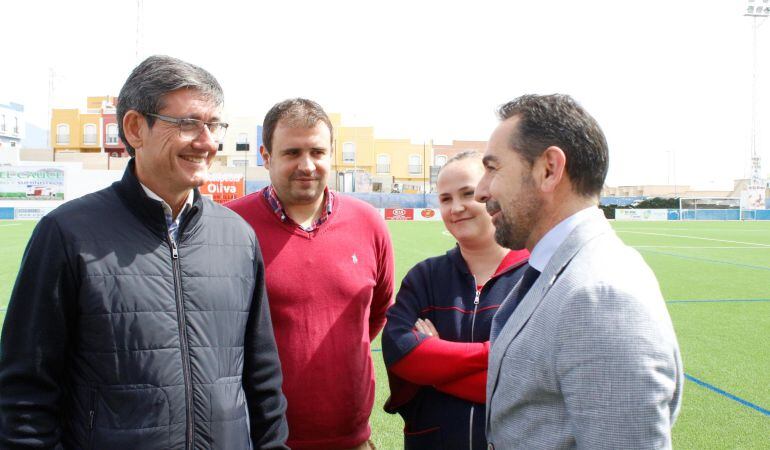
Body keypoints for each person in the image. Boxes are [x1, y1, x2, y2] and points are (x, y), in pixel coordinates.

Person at [0, 55, 288, 449]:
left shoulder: (238, 237)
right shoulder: (67, 234)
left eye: (214, 125)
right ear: (136, 128)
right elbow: (24, 396)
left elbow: (262, 381)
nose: (207, 142)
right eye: (188, 124)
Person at [476, 94, 683, 449]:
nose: (481, 191)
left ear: (549, 169)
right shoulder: (561, 270)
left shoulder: (601, 296)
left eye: (493, 168)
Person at [226, 98, 394, 450]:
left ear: (331, 155)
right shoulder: (229, 226)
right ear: (266, 156)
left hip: (352, 440)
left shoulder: (369, 224)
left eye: (317, 152)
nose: (307, 165)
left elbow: (375, 313)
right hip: (262, 440)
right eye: (291, 153)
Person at [381, 151, 528, 449]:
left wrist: (435, 367)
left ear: (491, 193)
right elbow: (401, 353)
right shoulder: (425, 277)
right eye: (446, 199)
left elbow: (527, 384)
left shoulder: (536, 275)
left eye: (467, 194)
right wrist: (494, 353)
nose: (456, 207)